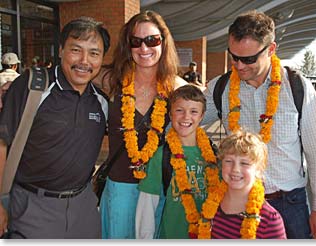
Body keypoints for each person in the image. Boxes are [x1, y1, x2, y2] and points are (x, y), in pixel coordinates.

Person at [202, 10, 316, 239]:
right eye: (234, 57)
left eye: (249, 59)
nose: (240, 65)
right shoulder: (220, 88)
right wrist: (224, 143)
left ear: (271, 49)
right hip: (236, 204)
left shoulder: (295, 87)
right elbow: (191, 124)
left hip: (288, 204)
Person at [0, 16, 110, 238]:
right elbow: (2, 143)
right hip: (33, 207)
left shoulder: (101, 101)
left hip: (84, 207)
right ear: (60, 50)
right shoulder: (33, 87)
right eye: (76, 50)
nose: (84, 61)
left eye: (94, 53)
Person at [94, 10, 186, 239]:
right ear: (128, 46)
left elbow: (206, 109)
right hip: (119, 189)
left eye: (152, 40)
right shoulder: (111, 80)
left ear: (163, 43)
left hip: (158, 190)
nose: (144, 49)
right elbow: (73, 71)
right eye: (137, 42)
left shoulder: (176, 87)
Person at [136, 84, 219, 239]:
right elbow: (146, 207)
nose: (186, 117)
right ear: (170, 114)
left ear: (202, 116)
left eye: (193, 111)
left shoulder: (214, 157)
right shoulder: (161, 155)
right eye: (179, 110)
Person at [197, 129, 286, 239]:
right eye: (229, 161)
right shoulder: (210, 205)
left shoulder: (269, 220)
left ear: (258, 169)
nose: (236, 169)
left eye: (244, 163)